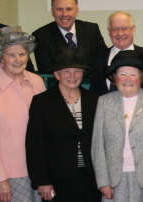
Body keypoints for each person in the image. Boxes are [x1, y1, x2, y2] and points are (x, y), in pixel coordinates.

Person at [0, 26, 46, 202]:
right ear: (1, 57)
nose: (17, 60)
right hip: (10, 175)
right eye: (11, 55)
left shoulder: (36, 82)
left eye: (21, 54)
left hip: (41, 172)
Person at [91, 50, 143, 202]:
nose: (127, 79)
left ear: (141, 77)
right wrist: (103, 181)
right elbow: (98, 146)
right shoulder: (104, 102)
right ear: (115, 78)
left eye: (133, 74)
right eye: (122, 74)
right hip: (114, 181)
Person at [26, 48, 100, 202]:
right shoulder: (42, 102)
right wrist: (42, 181)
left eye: (77, 71)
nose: (72, 76)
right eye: (67, 71)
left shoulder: (95, 100)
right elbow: (35, 146)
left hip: (91, 179)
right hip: (57, 180)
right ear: (56, 74)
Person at [91, 11, 143, 96]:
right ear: (109, 31)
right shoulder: (97, 59)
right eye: (115, 29)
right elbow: (93, 94)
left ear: (133, 29)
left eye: (124, 29)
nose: (120, 33)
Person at [33, 0, 107, 74]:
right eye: (59, 9)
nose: (64, 14)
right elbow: (46, 71)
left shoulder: (92, 29)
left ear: (76, 10)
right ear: (53, 11)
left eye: (69, 9)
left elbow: (103, 62)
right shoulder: (41, 36)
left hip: (92, 85)